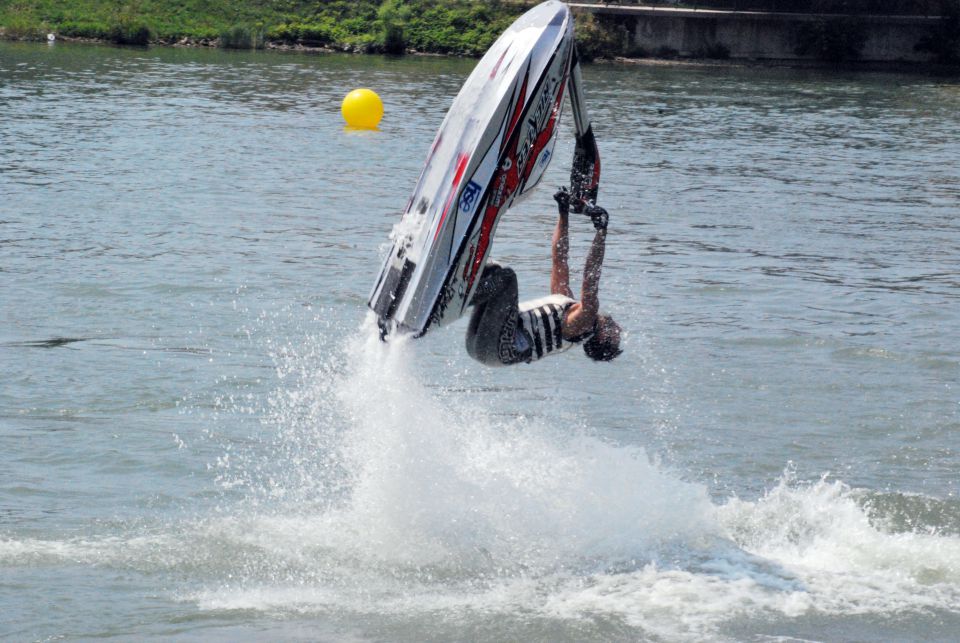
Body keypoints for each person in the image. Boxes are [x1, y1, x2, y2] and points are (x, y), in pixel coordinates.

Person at [465, 187, 622, 366]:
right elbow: (559, 260)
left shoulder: (585, 323)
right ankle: (459, 277)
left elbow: (591, 278)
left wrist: (601, 231)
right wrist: (563, 213)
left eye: (616, 336)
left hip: (500, 346)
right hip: (481, 344)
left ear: (602, 338)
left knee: (507, 278)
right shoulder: (565, 308)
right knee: (493, 272)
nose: (619, 329)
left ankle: (458, 296)